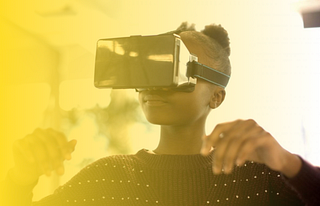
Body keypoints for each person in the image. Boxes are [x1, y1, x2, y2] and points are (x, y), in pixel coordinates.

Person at [2, 22, 320, 206]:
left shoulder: (257, 179)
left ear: (217, 96)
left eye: (176, 68)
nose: (156, 83)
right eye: (152, 67)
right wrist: (20, 178)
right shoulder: (111, 176)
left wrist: (289, 164)